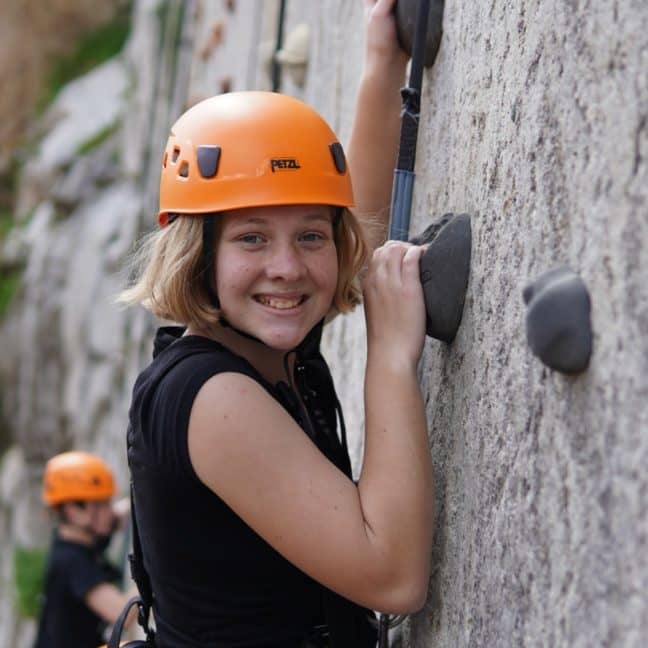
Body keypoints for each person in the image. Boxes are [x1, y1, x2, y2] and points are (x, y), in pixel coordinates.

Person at [119, 1, 434, 645]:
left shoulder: (257, 343)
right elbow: (394, 576)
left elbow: (359, 220)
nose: (286, 268)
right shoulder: (214, 398)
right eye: (253, 239)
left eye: (310, 237)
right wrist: (390, 359)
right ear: (199, 253)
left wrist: (383, 62)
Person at [34, 451, 137, 648]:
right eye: (101, 503)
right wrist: (160, 569)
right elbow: (121, 612)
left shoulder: (81, 537)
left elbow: (119, 515)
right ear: (73, 510)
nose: (109, 510)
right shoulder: (71, 562)